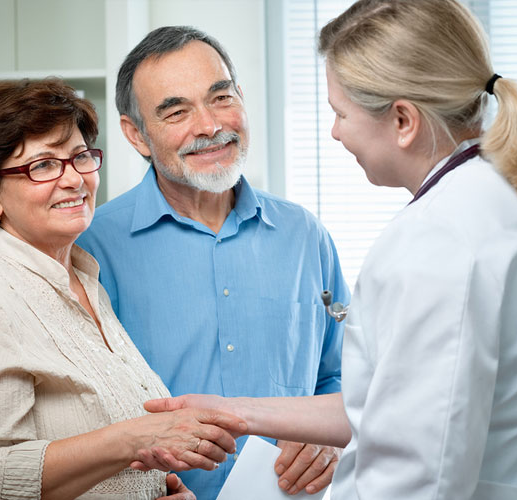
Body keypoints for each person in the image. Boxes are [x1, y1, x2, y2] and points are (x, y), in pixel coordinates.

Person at [143, 1, 517, 500]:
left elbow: (415, 475)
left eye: (340, 112)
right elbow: (390, 403)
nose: (335, 131)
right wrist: (237, 412)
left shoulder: (438, 238)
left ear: (403, 120)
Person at [0, 78, 247, 500]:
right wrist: (136, 438)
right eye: (43, 165)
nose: (73, 180)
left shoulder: (86, 278)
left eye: (79, 157)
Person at [75, 26, 349, 499]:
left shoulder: (306, 236)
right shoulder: (90, 249)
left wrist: (328, 442)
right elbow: (79, 413)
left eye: (221, 97)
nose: (208, 126)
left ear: (241, 97)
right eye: (177, 111)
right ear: (136, 134)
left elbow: (341, 377)